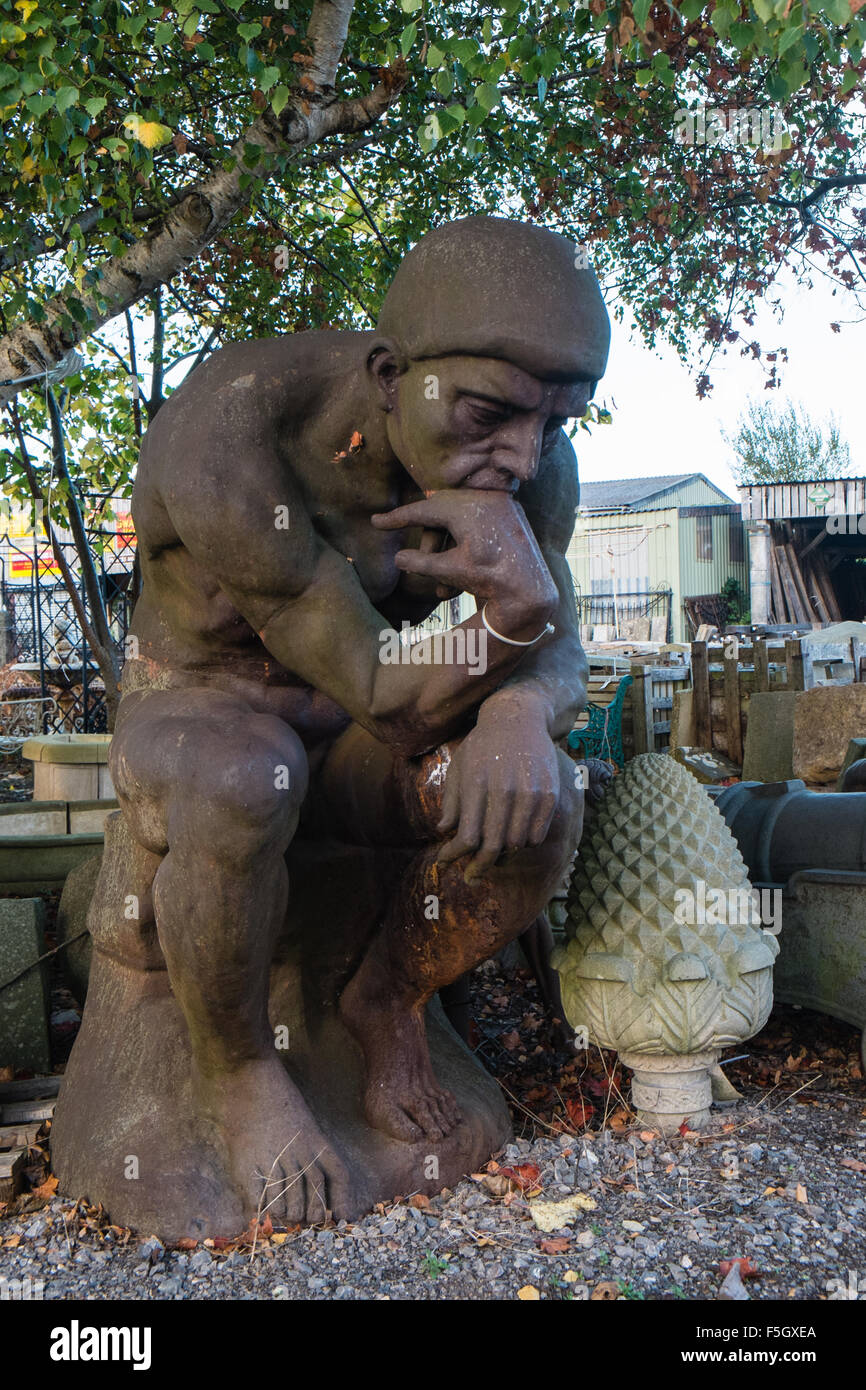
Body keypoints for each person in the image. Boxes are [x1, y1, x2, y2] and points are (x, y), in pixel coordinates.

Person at [112, 216, 610, 1222]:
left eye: (555, 423)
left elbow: (553, 647)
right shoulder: (236, 435)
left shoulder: (523, 460)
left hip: (357, 747)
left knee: (540, 796)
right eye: (489, 414)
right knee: (245, 775)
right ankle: (242, 1070)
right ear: (391, 373)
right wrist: (514, 618)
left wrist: (517, 708)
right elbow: (382, 676)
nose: (521, 456)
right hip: (200, 721)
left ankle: (385, 996)